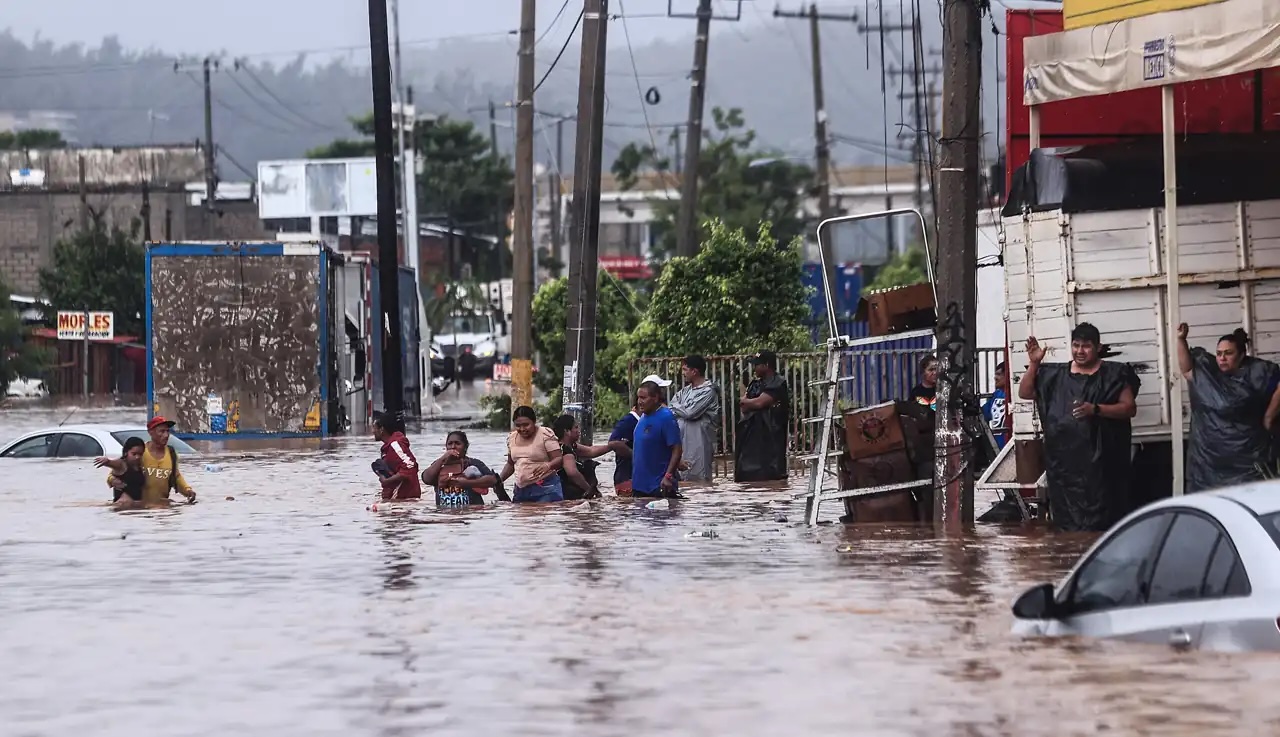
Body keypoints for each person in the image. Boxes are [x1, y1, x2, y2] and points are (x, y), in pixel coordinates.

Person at [1018, 323, 1140, 532]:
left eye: (1086, 346)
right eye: (1076, 345)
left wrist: (1096, 409)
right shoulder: (1054, 376)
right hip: (1065, 469)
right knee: (1067, 529)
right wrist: (1034, 364)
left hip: (1104, 467)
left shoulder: (1115, 373)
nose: (1080, 351)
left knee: (1106, 523)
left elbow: (1129, 408)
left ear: (1098, 347)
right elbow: (1025, 392)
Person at [1177, 324, 1280, 492]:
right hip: (1209, 462)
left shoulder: (1258, 371)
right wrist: (1181, 339)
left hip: (1247, 461)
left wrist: (1269, 417)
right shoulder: (1207, 373)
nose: (1222, 358)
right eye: (1219, 354)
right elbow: (1186, 368)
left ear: (1241, 355)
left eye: (1228, 353)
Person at [103, 416, 196, 506]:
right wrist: (112, 480)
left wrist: (188, 491)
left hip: (161, 508)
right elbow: (117, 471)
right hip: (139, 508)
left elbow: (176, 477)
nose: (166, 435)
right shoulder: (139, 452)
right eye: (162, 431)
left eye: (168, 431)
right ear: (151, 432)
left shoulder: (171, 453)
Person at [734, 351, 789, 482]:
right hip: (750, 439)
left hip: (771, 439)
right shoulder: (755, 384)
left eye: (757, 365)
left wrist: (748, 402)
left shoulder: (777, 382)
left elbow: (760, 402)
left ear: (766, 365)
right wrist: (748, 403)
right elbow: (744, 406)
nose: (755, 368)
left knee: (771, 478)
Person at [420, 430, 507, 506]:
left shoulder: (473, 463)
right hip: (445, 517)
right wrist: (442, 459)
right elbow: (426, 479)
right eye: (450, 444)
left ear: (465, 447)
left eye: (457, 443)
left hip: (471, 515)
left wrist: (467, 483)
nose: (453, 447)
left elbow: (493, 480)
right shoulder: (439, 465)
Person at [669, 355, 720, 483]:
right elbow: (670, 408)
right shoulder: (685, 391)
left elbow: (690, 412)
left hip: (700, 442)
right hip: (683, 440)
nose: (683, 373)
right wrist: (679, 408)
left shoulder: (709, 391)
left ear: (694, 371)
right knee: (683, 479)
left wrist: (678, 408)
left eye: (685, 370)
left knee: (700, 480)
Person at [500, 406, 566, 503]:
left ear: (534, 421)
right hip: (521, 491)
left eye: (526, 425)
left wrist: (548, 465)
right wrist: (499, 480)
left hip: (546, 489)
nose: (522, 429)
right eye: (518, 425)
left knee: (542, 517)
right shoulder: (511, 437)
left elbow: (559, 459)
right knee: (521, 517)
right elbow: (510, 464)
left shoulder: (544, 434)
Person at [633, 381, 683, 498]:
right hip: (640, 486)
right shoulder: (643, 417)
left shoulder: (666, 417)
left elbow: (677, 449)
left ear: (655, 398)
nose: (639, 401)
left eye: (643, 398)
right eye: (638, 397)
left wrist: (668, 476)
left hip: (659, 486)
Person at [552, 414, 611, 500]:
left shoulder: (571, 446)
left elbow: (591, 451)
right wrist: (589, 490)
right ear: (567, 431)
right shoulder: (565, 449)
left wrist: (611, 447)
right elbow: (572, 473)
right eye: (576, 427)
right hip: (568, 495)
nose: (579, 431)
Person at [372, 411, 422, 500]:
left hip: (405, 498)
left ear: (381, 429)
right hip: (398, 498)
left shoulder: (395, 445)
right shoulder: (388, 448)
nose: (373, 431)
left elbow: (410, 467)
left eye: (374, 428)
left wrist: (387, 481)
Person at [95, 436, 147, 507]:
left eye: (140, 454)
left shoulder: (139, 466)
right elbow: (112, 463)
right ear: (126, 452)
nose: (137, 457)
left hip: (135, 507)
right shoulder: (122, 464)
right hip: (122, 508)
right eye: (134, 454)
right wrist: (107, 461)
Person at [608, 402, 643, 496]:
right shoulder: (628, 422)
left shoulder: (645, 422)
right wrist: (637, 456)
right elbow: (614, 443)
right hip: (627, 479)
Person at [982, 361, 1012, 450]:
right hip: (997, 448)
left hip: (1010, 447)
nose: (995, 378)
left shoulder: (1014, 395)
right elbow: (983, 414)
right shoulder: (997, 394)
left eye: (999, 374)